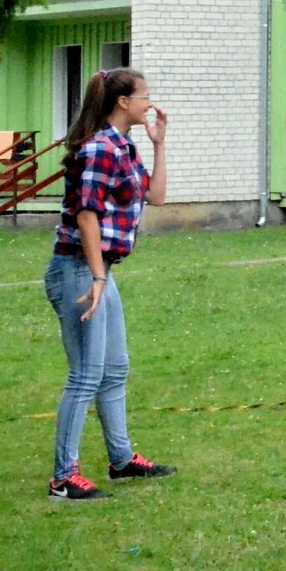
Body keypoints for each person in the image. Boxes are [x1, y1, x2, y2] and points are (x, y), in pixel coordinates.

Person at [44, 68, 175, 502]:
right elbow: (86, 215)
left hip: (100, 270)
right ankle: (63, 478)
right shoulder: (100, 148)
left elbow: (155, 198)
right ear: (123, 102)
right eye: (144, 98)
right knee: (85, 375)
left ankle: (121, 461)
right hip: (79, 270)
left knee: (115, 368)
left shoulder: (124, 146)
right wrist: (98, 277)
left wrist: (158, 145)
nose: (149, 104)